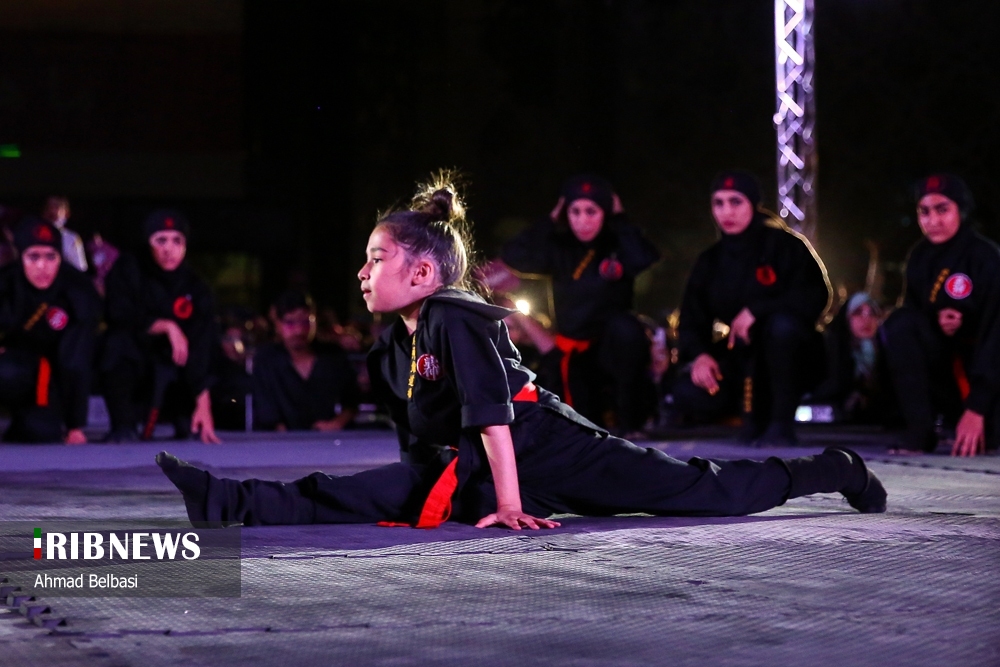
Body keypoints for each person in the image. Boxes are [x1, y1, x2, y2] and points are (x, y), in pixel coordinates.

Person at [155, 176, 885, 530]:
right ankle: (225, 499)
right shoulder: (389, 348)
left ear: (424, 272)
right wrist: (433, 485)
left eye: (377, 258)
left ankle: (832, 469)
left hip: (548, 444)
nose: (362, 272)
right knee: (361, 491)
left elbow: (494, 414)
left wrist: (508, 505)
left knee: (702, 493)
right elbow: (422, 446)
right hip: (475, 467)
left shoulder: (456, 316)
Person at [672, 170, 832, 446]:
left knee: (781, 327)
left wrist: (757, 311)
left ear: (753, 204)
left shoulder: (784, 245)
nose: (727, 212)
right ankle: (750, 416)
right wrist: (700, 356)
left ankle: (781, 422)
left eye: (736, 202)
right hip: (743, 357)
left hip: (794, 354)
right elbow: (691, 317)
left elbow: (816, 295)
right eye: (719, 203)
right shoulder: (710, 261)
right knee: (688, 391)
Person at [500, 174, 660, 436]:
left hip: (612, 348)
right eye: (575, 211)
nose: (583, 220)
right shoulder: (559, 247)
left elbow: (644, 257)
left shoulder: (617, 244)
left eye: (591, 211)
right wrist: (551, 219)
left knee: (628, 330)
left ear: (605, 212)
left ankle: (630, 421)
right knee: (582, 426)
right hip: (575, 353)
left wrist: (620, 219)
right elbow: (513, 256)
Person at [882, 174, 1000, 456]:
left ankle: (973, 420)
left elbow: (996, 334)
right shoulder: (920, 257)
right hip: (945, 374)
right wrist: (936, 322)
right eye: (924, 212)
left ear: (961, 210)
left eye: (942, 209)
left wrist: (977, 408)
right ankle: (920, 430)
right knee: (898, 324)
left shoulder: (985, 257)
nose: (933, 220)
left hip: (985, 377)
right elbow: (913, 323)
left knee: (991, 438)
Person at [99, 210, 220, 443]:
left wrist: (203, 400)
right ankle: (123, 424)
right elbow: (118, 315)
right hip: (136, 365)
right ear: (148, 243)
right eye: (161, 240)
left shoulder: (196, 286)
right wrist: (164, 326)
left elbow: (203, 345)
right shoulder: (128, 269)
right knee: (115, 344)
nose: (169, 249)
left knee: (190, 427)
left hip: (176, 370)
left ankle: (186, 417)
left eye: (177, 241)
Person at [0, 217, 101, 443]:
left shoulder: (78, 290)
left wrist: (75, 425)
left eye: (50, 257)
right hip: (17, 364)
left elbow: (77, 360)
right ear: (21, 257)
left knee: (40, 432)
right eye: (33, 257)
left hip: (56, 376)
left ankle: (33, 420)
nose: (42, 266)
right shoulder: (7, 283)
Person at [252, 290, 360, 432]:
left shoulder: (333, 355)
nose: (299, 330)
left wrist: (336, 424)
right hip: (280, 440)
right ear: (277, 324)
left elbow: (352, 402)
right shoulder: (266, 359)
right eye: (290, 323)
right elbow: (265, 411)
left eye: (306, 322)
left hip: (328, 438)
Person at [808, 292, 892, 424]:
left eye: (872, 313)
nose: (866, 319)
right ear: (847, 319)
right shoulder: (831, 353)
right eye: (858, 312)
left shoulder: (889, 354)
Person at [41, 196, 88, 273]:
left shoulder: (72, 238)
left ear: (66, 213)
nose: (52, 211)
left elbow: (80, 268)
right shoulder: (33, 235)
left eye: (57, 207)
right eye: (49, 207)